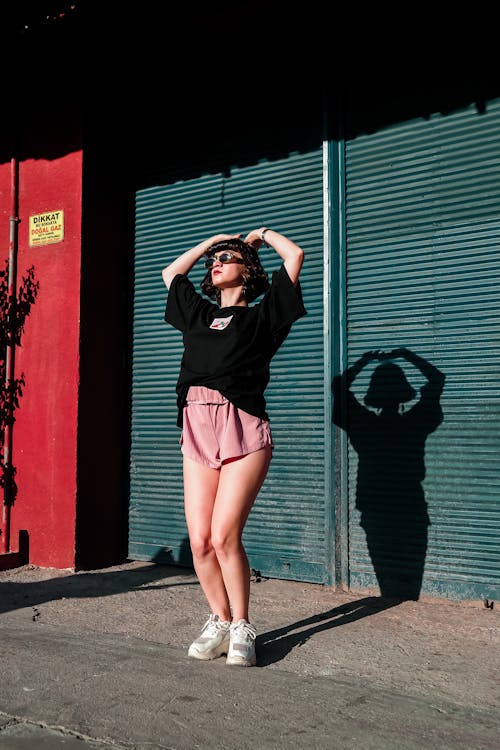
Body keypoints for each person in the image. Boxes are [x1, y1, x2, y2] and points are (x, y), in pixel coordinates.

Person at [161, 227, 306, 666]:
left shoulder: (263, 317)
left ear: (248, 271)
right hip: (197, 425)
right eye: (214, 260)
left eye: (227, 258)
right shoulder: (199, 314)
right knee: (200, 540)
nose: (216, 263)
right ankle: (219, 620)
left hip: (241, 427)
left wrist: (258, 236)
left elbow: (295, 255)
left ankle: (243, 626)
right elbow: (171, 272)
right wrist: (209, 242)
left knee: (225, 536)